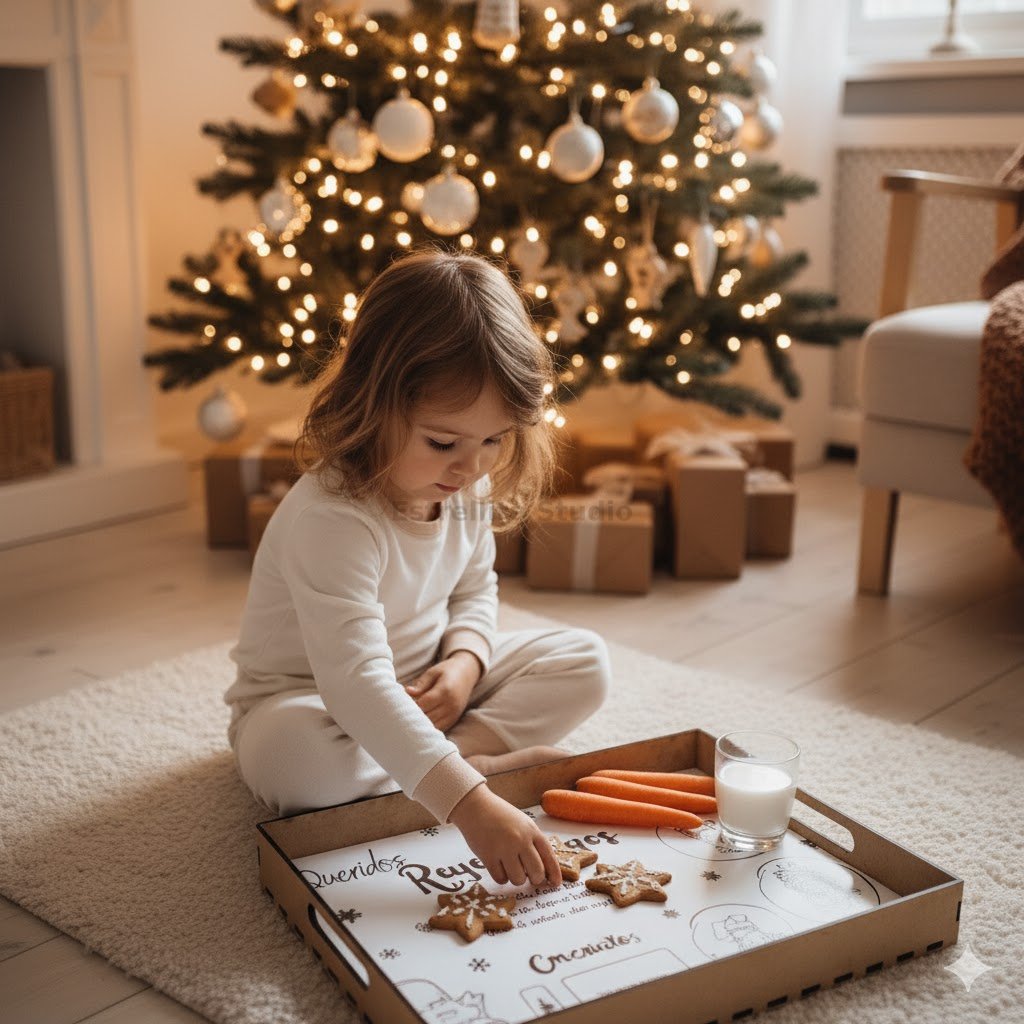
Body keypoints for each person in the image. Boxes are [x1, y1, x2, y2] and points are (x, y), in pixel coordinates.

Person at [224, 248, 612, 889]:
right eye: (443, 442)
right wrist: (473, 807)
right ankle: (470, 774)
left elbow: (474, 590)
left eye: (494, 440)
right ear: (373, 403)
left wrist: (466, 665)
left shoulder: (463, 485)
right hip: (313, 699)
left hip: (428, 686)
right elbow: (355, 686)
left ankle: (448, 759)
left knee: (586, 659)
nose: (472, 467)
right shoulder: (334, 517)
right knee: (297, 762)